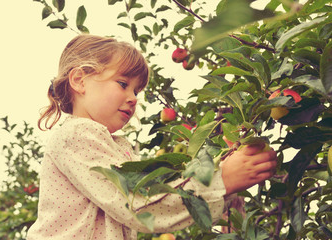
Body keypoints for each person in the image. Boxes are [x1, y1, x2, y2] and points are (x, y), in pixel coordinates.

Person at [27, 34, 277, 240]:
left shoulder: (115, 145)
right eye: (123, 84)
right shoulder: (75, 134)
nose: (134, 97)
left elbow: (153, 195)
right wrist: (221, 181)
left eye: (137, 90)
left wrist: (220, 175)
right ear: (80, 80)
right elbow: (134, 202)